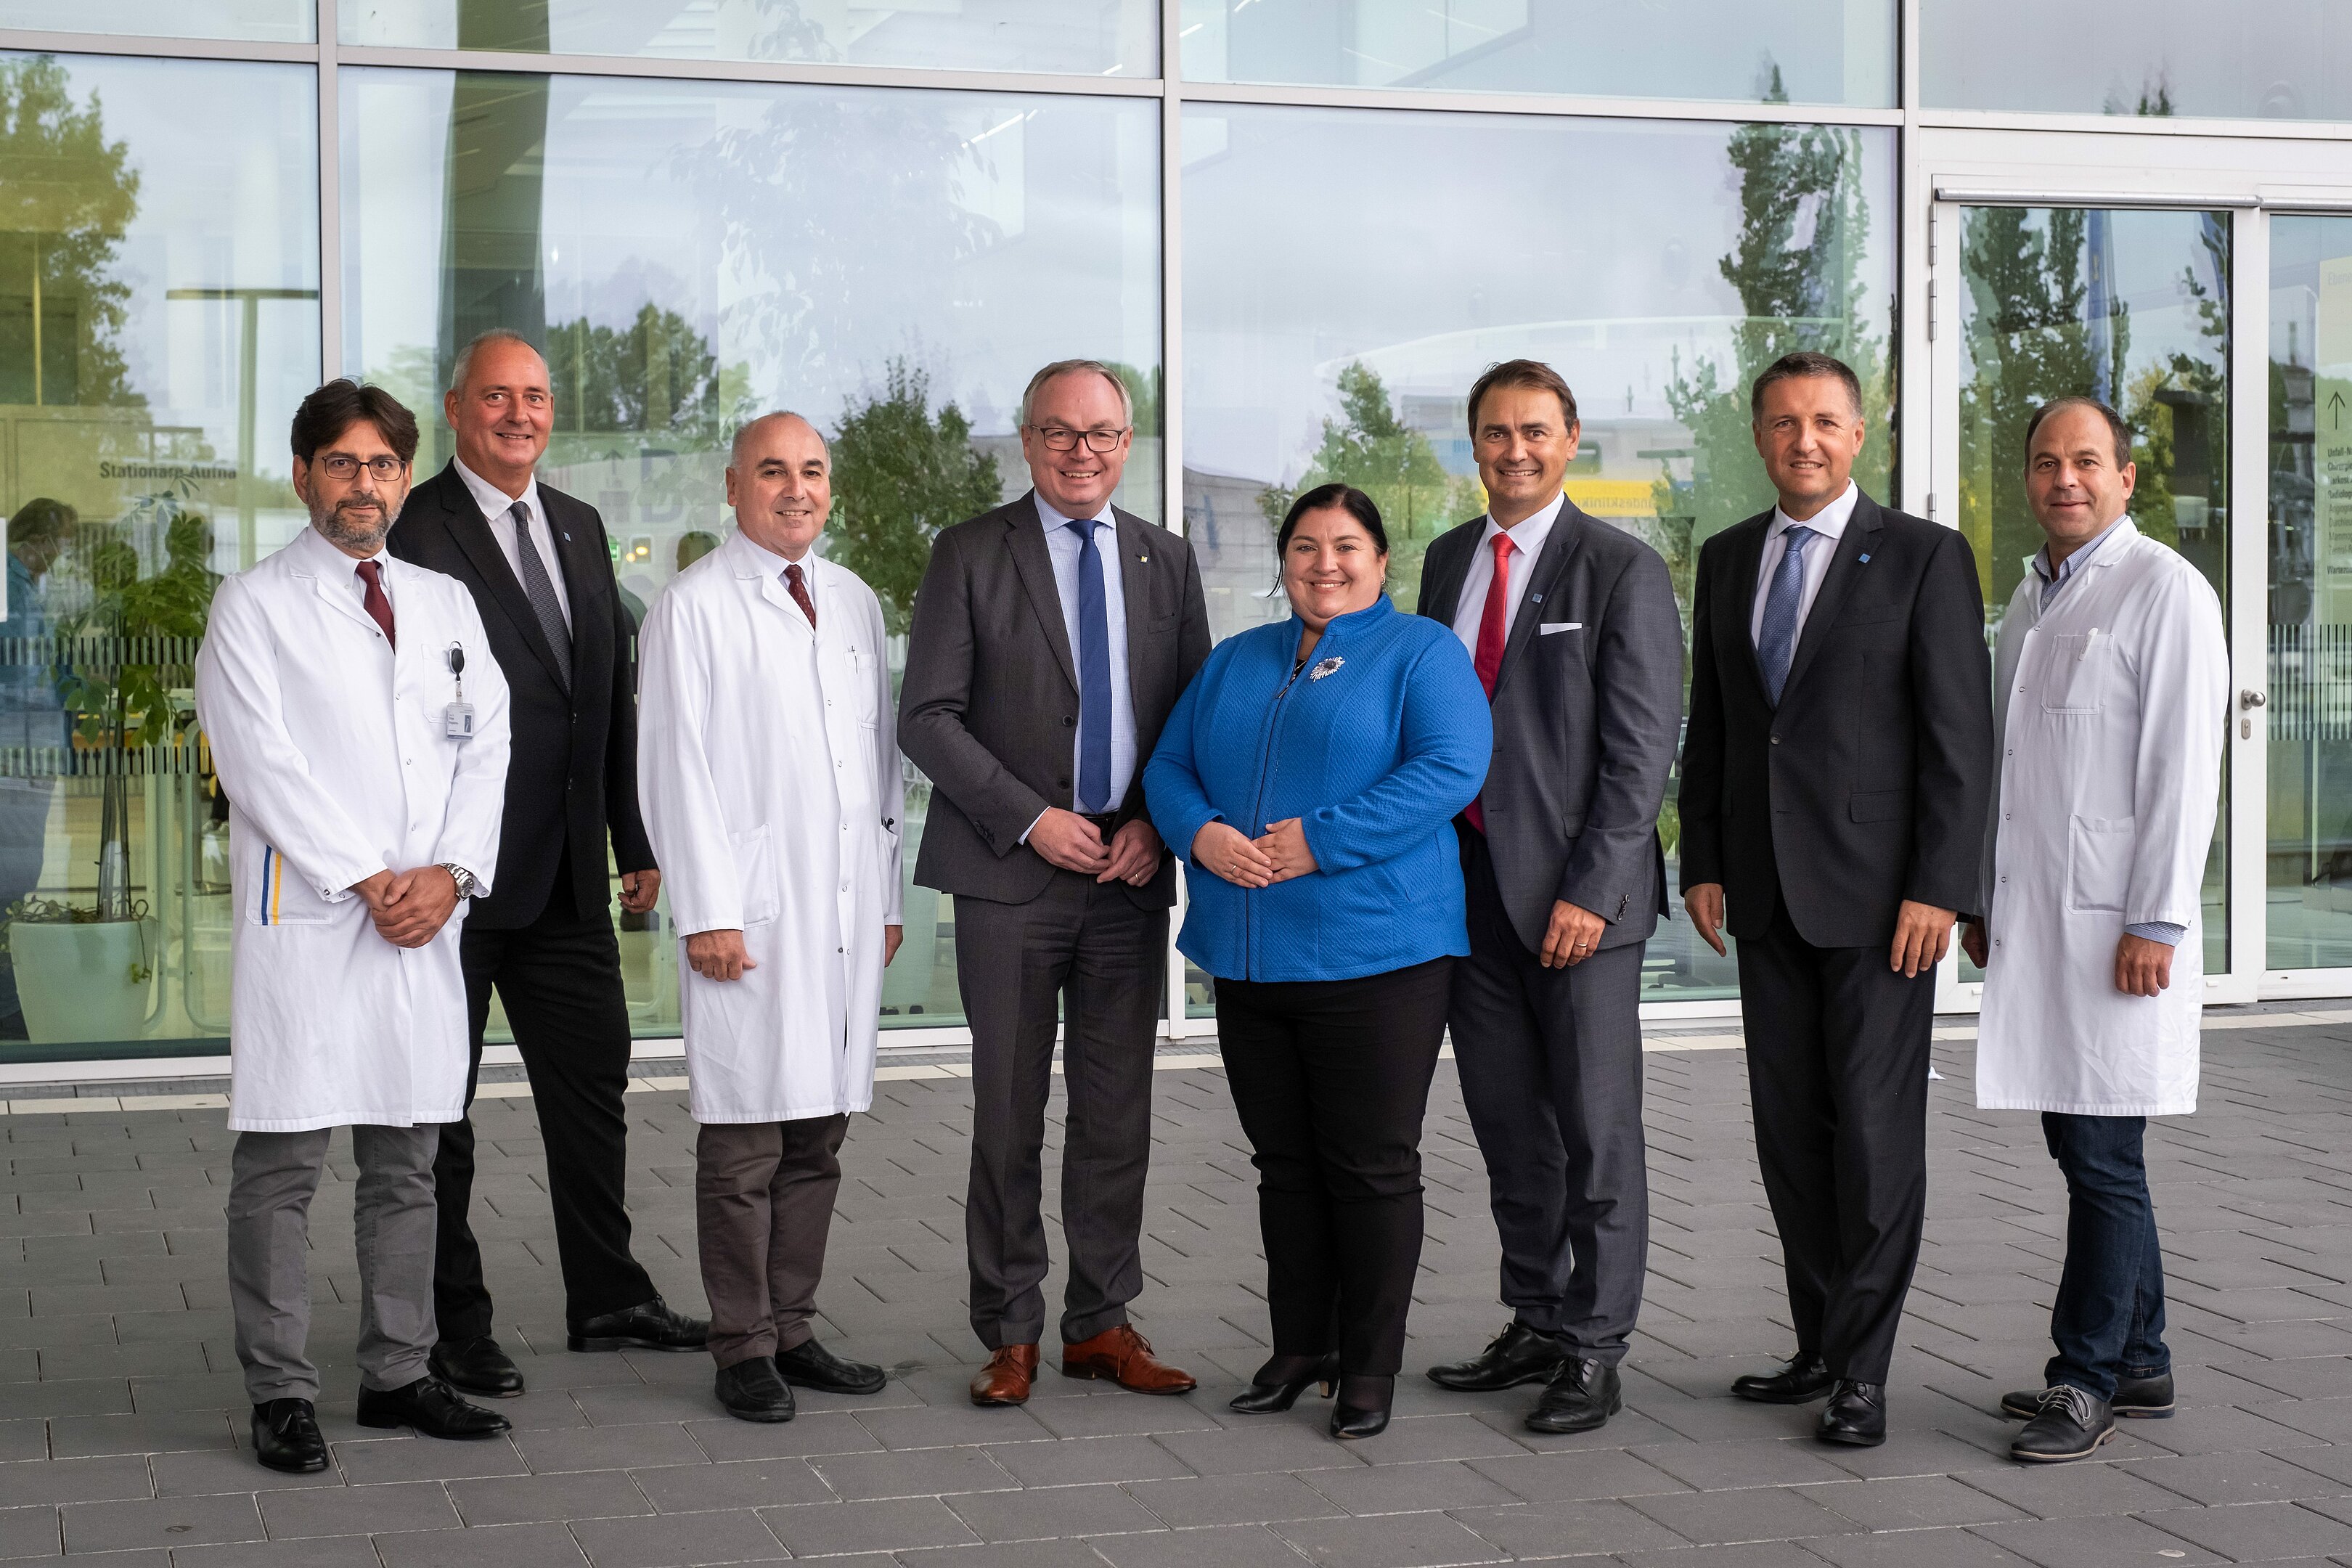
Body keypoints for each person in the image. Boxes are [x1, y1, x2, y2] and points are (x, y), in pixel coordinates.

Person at [195, 380, 515, 1472]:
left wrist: (453, 873)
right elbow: (259, 763)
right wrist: (373, 878)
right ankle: (281, 1392)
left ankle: (399, 1373)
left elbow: (489, 746)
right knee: (282, 1168)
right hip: (317, 913)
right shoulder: (254, 605)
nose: (364, 485)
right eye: (342, 463)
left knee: (408, 1164)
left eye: (382, 466)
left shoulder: (445, 602)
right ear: (303, 475)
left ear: (405, 479)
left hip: (424, 918)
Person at [1679, 351, 1995, 1447]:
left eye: (1823, 421)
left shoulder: (1923, 556)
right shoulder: (1727, 558)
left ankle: (1863, 1371)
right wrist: (1702, 857)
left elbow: (1960, 740)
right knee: (1791, 1136)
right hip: (1764, 895)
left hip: (1880, 907)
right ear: (1758, 437)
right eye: (1782, 422)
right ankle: (1818, 1344)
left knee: (1871, 1136)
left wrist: (1940, 889)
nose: (1802, 440)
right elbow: (1719, 724)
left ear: (1860, 435)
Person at [389, 329, 704, 1397]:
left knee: (592, 1088)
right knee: (441, 1110)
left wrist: (632, 837)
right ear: (455, 409)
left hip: (568, 874)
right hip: (454, 877)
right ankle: (452, 1322)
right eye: (496, 397)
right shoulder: (415, 527)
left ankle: (608, 1295)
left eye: (534, 397)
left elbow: (600, 696)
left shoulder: (578, 523)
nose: (518, 414)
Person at [1146, 483, 1488, 1440]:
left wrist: (1320, 840)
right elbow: (1168, 767)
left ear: (1381, 561)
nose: (1324, 564)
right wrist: (1201, 834)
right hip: (1251, 957)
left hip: (1378, 956)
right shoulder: (1236, 659)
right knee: (1285, 1166)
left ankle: (1370, 1366)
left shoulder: (1420, 652)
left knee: (1370, 1166)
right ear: (1284, 562)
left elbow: (1451, 768)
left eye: (1345, 547)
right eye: (1304, 547)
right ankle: (1301, 1348)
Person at [899, 359, 1212, 1407]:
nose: (1083, 452)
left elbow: (1195, 720)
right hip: (1009, 878)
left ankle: (1101, 1325)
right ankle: (1010, 1330)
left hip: (1127, 877)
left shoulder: (1167, 559)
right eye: (1060, 432)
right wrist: (1032, 820)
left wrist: (1155, 826)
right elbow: (926, 717)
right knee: (1008, 1113)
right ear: (1028, 440)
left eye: (1103, 434)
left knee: (1117, 1116)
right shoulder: (968, 553)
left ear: (1128, 444)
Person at [1415, 361, 1683, 1434]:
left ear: (1571, 440)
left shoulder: (1621, 568)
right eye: (1495, 433)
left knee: (1596, 1133)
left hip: (1580, 906)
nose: (1515, 450)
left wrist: (1594, 890)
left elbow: (1641, 752)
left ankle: (1594, 1347)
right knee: (1508, 1126)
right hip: (1466, 894)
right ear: (1473, 445)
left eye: (1535, 431)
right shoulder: (1447, 561)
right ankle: (1535, 1315)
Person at [1961, 397, 2228, 1463]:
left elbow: (2183, 768)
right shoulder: (2031, 599)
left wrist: (2158, 915)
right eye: (2044, 462)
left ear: (2127, 477)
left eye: (2084, 461)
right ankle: (2142, 1357)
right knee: (2085, 1145)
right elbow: (2009, 767)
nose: (2063, 478)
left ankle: (2085, 1377)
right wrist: (1984, 899)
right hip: (2041, 921)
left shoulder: (2166, 590)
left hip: (2121, 926)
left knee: (2105, 1152)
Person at [637, 412, 904, 1424]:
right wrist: (707, 910)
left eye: (813, 471)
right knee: (746, 1141)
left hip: (842, 906)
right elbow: (671, 767)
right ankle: (742, 1344)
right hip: (746, 911)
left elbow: (878, 762)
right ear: (734, 485)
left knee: (818, 1135)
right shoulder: (692, 606)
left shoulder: (854, 601)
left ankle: (794, 1327)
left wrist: (884, 895)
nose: (797, 489)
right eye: (774, 471)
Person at [0, 498, 72, 1038]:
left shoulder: (24, 587)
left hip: (28, 750)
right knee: (15, 873)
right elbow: (24, 681)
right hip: (17, 752)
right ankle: (7, 1009)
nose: (63, 553)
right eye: (62, 541)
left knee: (18, 872)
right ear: (41, 540)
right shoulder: (10, 587)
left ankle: (10, 1000)